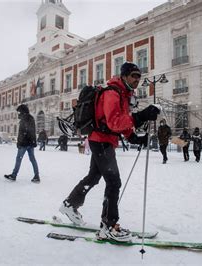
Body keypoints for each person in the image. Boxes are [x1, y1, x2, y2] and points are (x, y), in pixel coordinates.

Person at [58, 62, 159, 242]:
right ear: (124, 76)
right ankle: (108, 226)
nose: (137, 80)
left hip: (104, 141)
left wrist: (134, 138)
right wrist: (140, 116)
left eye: (139, 77)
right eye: (133, 75)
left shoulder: (123, 94)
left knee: (94, 177)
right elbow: (114, 122)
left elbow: (122, 122)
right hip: (101, 141)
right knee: (113, 181)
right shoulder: (112, 93)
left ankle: (69, 204)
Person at [4, 104, 40, 183]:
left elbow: (23, 132)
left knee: (18, 159)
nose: (18, 113)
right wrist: (33, 141)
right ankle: (37, 176)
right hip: (30, 143)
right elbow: (32, 131)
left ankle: (14, 175)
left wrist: (19, 143)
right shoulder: (31, 118)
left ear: (22, 111)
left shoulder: (24, 119)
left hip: (24, 144)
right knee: (32, 159)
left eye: (19, 112)